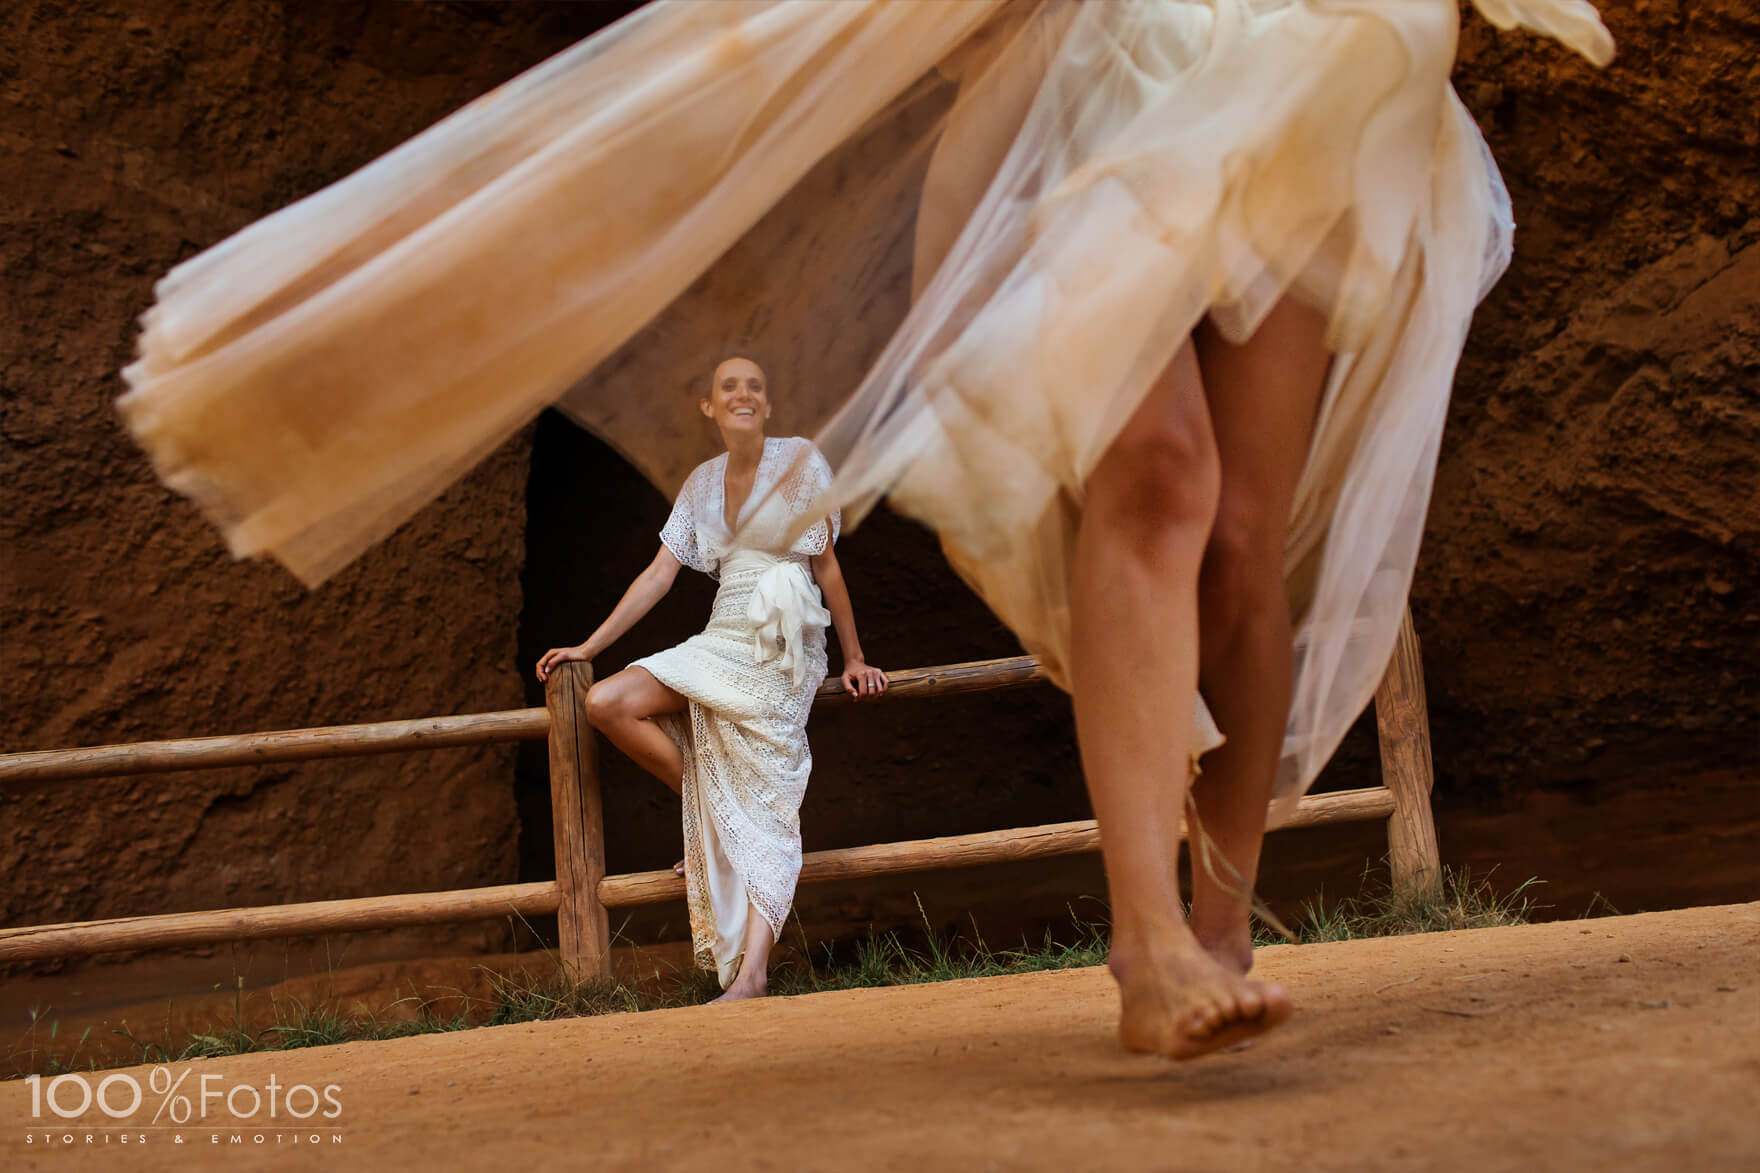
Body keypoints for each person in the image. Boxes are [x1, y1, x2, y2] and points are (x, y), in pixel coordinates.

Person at [116, 0, 1614, 1056]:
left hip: (1316, 61)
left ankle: (1222, 909)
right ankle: (1145, 934)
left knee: (1247, 543)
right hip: (1100, 66)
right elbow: (688, 550)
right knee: (1160, 478)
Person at [538, 354, 886, 1001]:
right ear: (709, 405)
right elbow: (656, 576)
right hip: (725, 632)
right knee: (609, 701)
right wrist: (587, 644)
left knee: (769, 799)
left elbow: (828, 567)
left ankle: (751, 975)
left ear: (768, 404)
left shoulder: (801, 461)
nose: (743, 393)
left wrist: (855, 656)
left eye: (756, 384)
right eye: (730, 386)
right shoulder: (701, 484)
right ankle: (712, 819)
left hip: (786, 636)